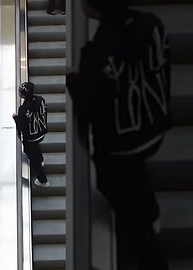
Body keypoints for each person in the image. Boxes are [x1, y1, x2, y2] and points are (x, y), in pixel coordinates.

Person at [67, 0, 171, 269]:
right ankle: (149, 211)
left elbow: (90, 105)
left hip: (119, 144)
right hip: (151, 127)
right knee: (136, 176)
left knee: (115, 189)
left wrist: (74, 84)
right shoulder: (151, 25)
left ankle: (149, 247)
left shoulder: (96, 53)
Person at [13, 82, 49, 187]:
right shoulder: (40, 100)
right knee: (36, 148)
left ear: (24, 95)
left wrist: (15, 117)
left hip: (30, 137)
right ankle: (41, 159)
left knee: (32, 157)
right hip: (40, 132)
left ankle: (43, 180)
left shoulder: (23, 109)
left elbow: (21, 125)